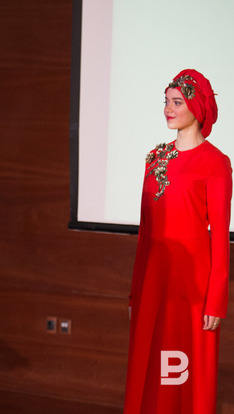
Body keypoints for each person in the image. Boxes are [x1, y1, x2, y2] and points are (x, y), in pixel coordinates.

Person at [124, 69, 231, 413]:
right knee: (150, 365)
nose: (168, 109)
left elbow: (220, 237)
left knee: (185, 369)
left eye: (177, 102)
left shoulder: (216, 163)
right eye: (166, 102)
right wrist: (135, 292)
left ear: (197, 107)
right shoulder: (155, 158)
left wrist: (215, 301)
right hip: (154, 279)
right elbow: (145, 233)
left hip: (191, 281)